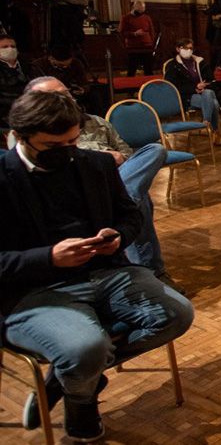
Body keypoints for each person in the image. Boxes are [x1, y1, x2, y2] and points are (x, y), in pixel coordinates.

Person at [0, 90, 193, 441]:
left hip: (108, 273)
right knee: (85, 349)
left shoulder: (95, 164)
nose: (68, 152)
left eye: (73, 141)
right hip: (35, 289)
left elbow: (130, 215)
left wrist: (118, 235)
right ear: (20, 137)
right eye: (54, 146)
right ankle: (82, 399)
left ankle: (70, 376)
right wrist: (49, 257)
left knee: (177, 314)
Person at [23, 76, 174, 287]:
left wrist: (118, 158)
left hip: (116, 178)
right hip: (85, 190)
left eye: (64, 94)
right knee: (138, 199)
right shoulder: (34, 140)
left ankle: (128, 192)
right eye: (52, 97)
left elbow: (128, 155)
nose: (62, 101)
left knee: (155, 150)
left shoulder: (97, 122)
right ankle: (154, 271)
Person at [163, 38, 221, 146]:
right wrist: (195, 87)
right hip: (187, 96)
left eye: (190, 48)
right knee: (214, 103)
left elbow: (211, 79)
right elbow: (172, 86)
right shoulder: (172, 65)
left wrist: (204, 85)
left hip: (205, 93)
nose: (188, 50)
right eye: (185, 48)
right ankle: (215, 131)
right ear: (178, 49)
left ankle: (206, 122)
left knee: (208, 93)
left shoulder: (200, 62)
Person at [119, 0, 157, 77]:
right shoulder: (126, 18)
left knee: (148, 69)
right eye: (140, 10)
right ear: (134, 8)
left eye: (143, 10)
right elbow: (122, 32)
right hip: (133, 47)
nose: (142, 12)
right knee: (132, 69)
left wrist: (151, 42)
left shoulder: (147, 18)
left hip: (147, 46)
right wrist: (135, 34)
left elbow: (152, 31)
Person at [1, 33, 30, 127]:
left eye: (13, 46)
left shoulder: (29, 66)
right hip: (5, 115)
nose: (10, 49)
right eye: (5, 47)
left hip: (31, 110)